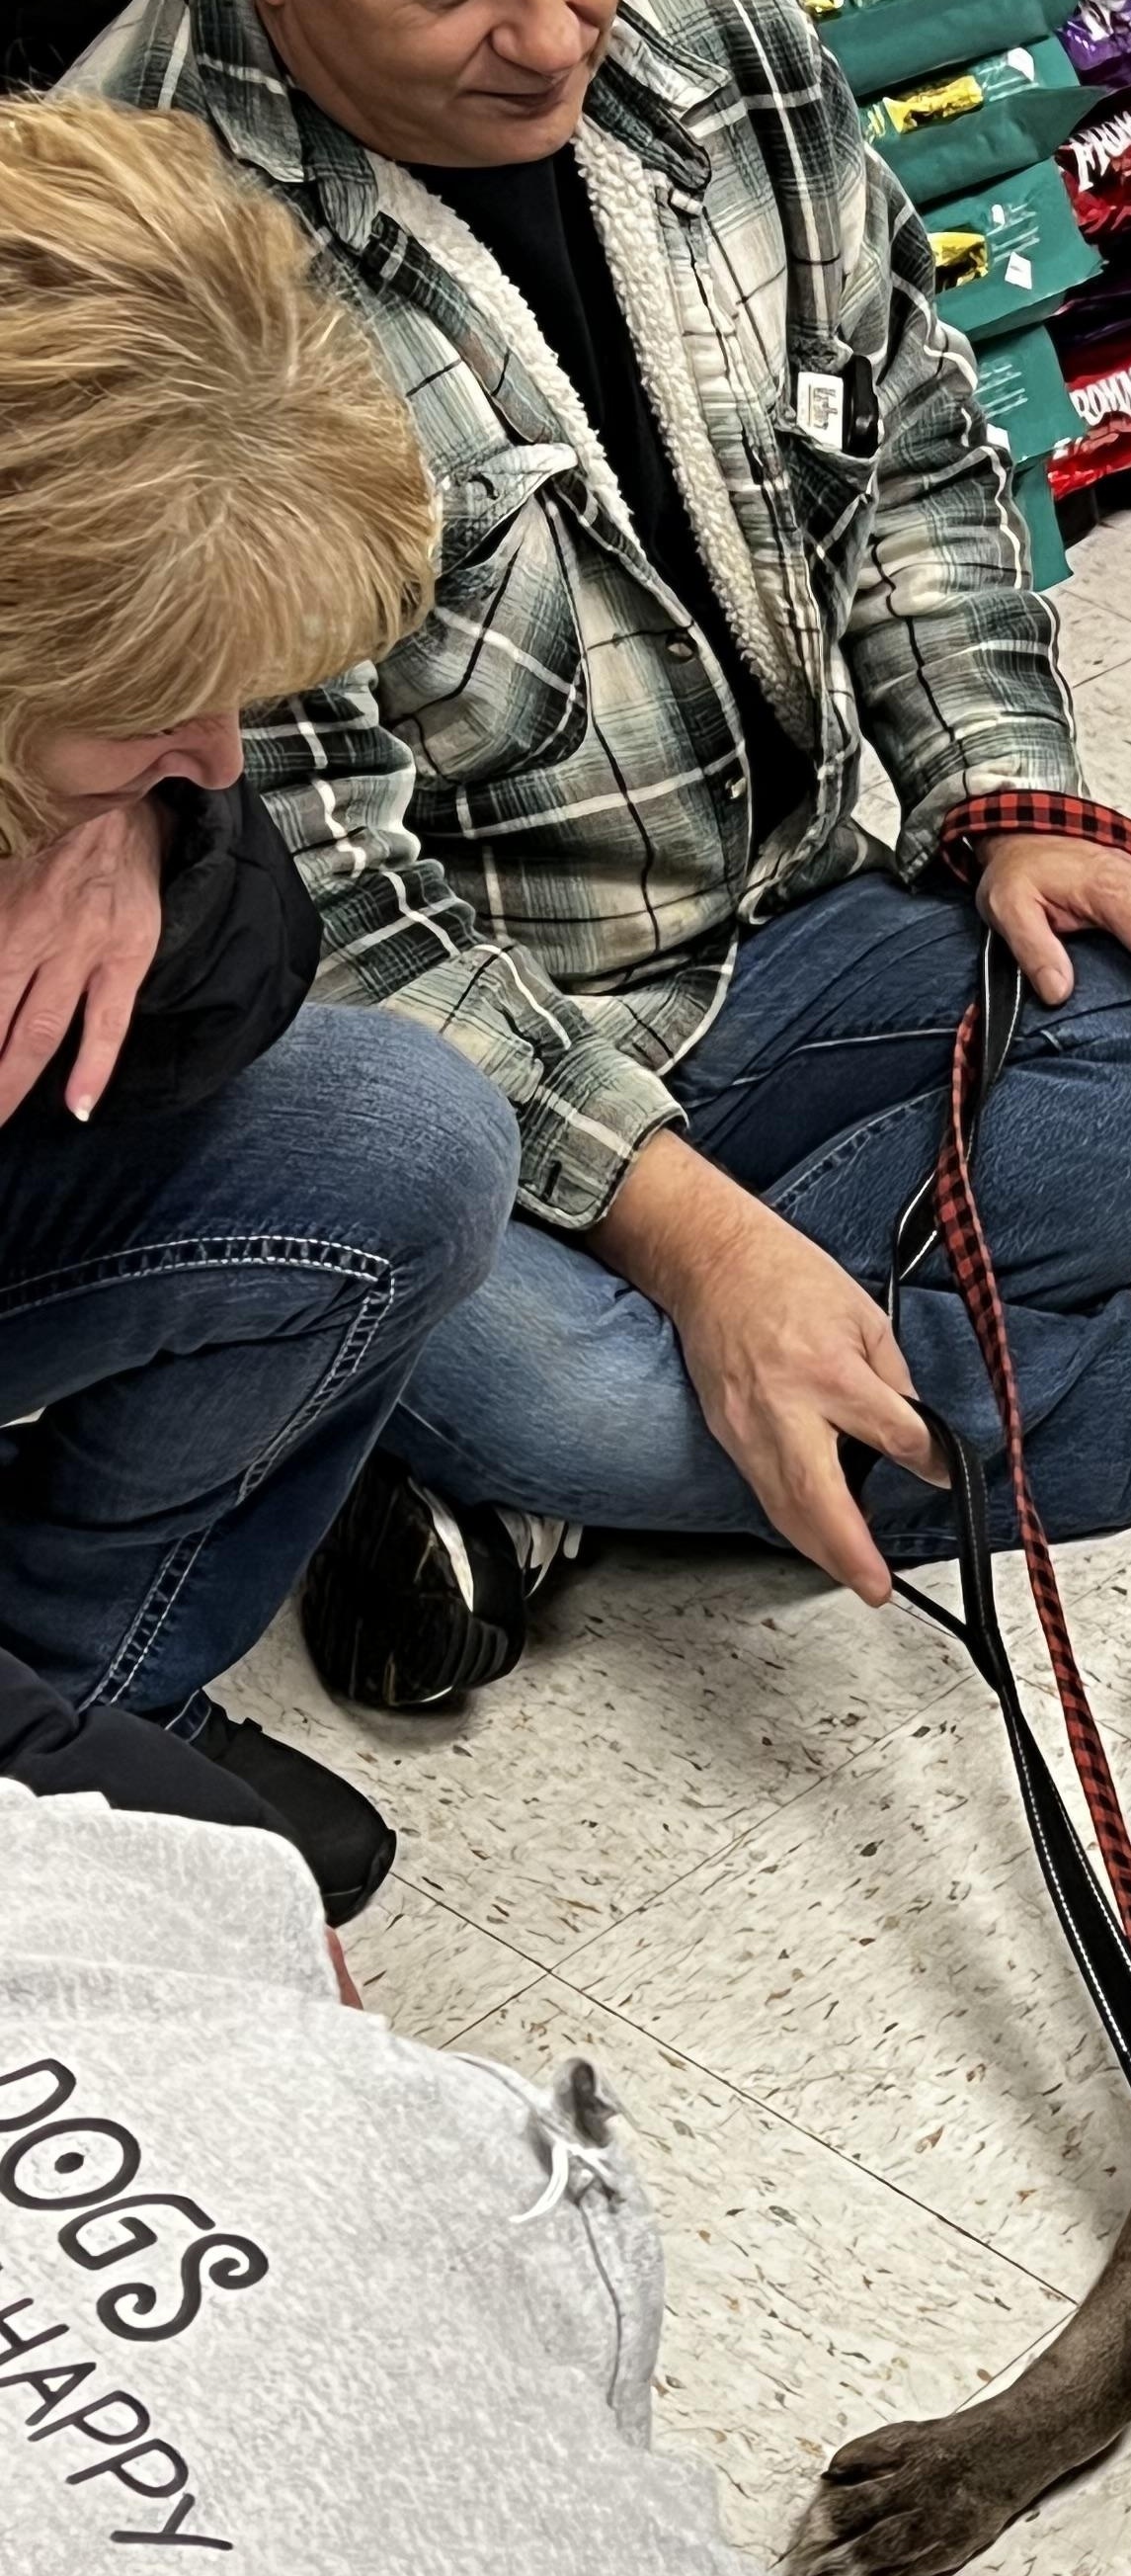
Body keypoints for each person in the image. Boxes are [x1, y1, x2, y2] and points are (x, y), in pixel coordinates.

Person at [75, 0, 1131, 1711]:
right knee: (560, 1394)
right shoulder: (150, 244)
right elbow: (326, 906)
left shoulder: (727, 51)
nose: (556, 40)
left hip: (779, 936)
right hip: (438, 1081)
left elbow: (919, 458)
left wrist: (1010, 797)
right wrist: (700, 1251)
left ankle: (541, 1487)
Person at [0, 93, 517, 1919]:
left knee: (412, 1137)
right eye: (159, 711)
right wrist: (62, 1807)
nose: (220, 756)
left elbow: (244, 988)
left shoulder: (75, 750)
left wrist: (132, 829)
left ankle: (99, 1667)